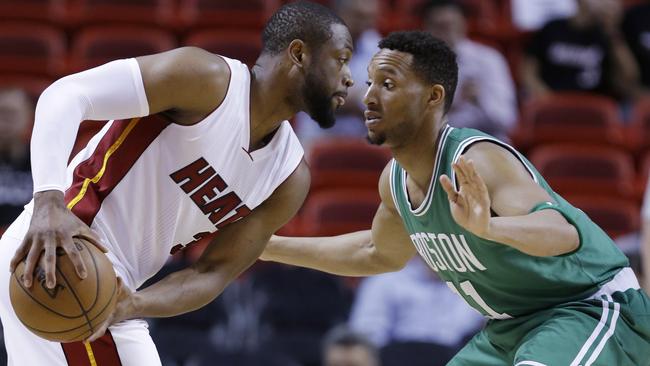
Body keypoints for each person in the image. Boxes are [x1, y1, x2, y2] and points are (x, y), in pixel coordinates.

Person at [262, 31, 650, 365]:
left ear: (433, 96)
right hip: (511, 326)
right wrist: (268, 247)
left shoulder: (476, 160)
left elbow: (562, 233)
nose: (369, 97)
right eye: (369, 83)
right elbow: (376, 252)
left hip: (588, 307)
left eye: (388, 84)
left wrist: (490, 226)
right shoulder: (394, 181)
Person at [0, 2, 353, 365]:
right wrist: (47, 202)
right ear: (299, 53)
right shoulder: (205, 80)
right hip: (63, 254)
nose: (350, 78)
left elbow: (212, 273)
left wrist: (134, 303)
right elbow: (66, 95)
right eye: (341, 59)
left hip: (101, 288)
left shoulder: (288, 177)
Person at [422, 0, 517, 141]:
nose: (446, 34)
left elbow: (506, 120)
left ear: (464, 24)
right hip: (435, 146)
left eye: (450, 25)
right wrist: (452, 104)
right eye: (439, 27)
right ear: (427, 29)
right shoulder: (414, 65)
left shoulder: (489, 59)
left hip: (487, 143)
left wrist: (480, 99)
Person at [349, 258, 483, 357]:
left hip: (457, 358)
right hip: (398, 359)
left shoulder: (478, 283)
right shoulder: (385, 281)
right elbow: (366, 336)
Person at [295, 0, 381, 149]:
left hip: (362, 142)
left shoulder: (378, 47)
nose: (366, 24)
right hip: (315, 138)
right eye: (359, 16)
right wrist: (357, 101)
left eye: (370, 17)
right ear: (340, 15)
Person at [521, 0, 640, 100]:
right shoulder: (552, 28)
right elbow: (528, 70)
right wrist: (544, 96)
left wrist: (612, 32)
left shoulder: (607, 35)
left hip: (593, 107)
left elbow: (630, 77)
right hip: (552, 103)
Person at [0, 88, 33, 228]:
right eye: (0, 113)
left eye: (11, 115)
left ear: (28, 117)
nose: (4, 122)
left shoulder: (40, 159)